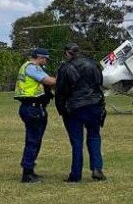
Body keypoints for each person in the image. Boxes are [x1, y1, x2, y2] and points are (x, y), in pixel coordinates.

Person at [55, 43, 106, 182]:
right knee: (94, 137)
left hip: (74, 107)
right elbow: (99, 84)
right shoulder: (94, 64)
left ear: (67, 53)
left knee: (77, 142)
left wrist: (61, 109)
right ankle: (97, 168)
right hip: (95, 105)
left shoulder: (66, 68)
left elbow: (60, 91)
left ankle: (76, 174)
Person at [14, 48, 56, 183]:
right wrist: (64, 78)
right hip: (33, 109)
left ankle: (30, 168)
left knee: (35, 140)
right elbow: (48, 81)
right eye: (45, 59)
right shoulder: (33, 68)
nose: (46, 61)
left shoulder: (26, 66)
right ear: (40, 57)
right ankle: (27, 173)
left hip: (32, 108)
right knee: (33, 140)